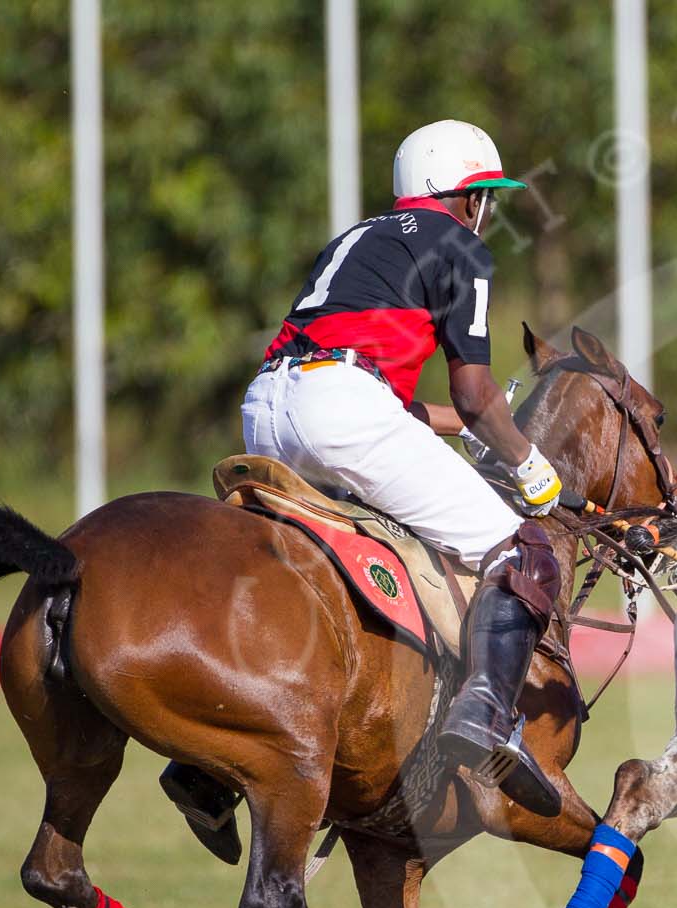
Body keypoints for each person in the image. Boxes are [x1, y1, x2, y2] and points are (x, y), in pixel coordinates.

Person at [163, 119, 566, 854]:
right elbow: (476, 392)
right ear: (467, 196)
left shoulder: (361, 237)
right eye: (486, 196)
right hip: (342, 411)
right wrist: (526, 459)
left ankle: (205, 767)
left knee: (312, 573)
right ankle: (484, 712)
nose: (488, 212)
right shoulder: (460, 245)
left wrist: (464, 429)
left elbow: (379, 388)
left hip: (268, 407)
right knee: (523, 549)